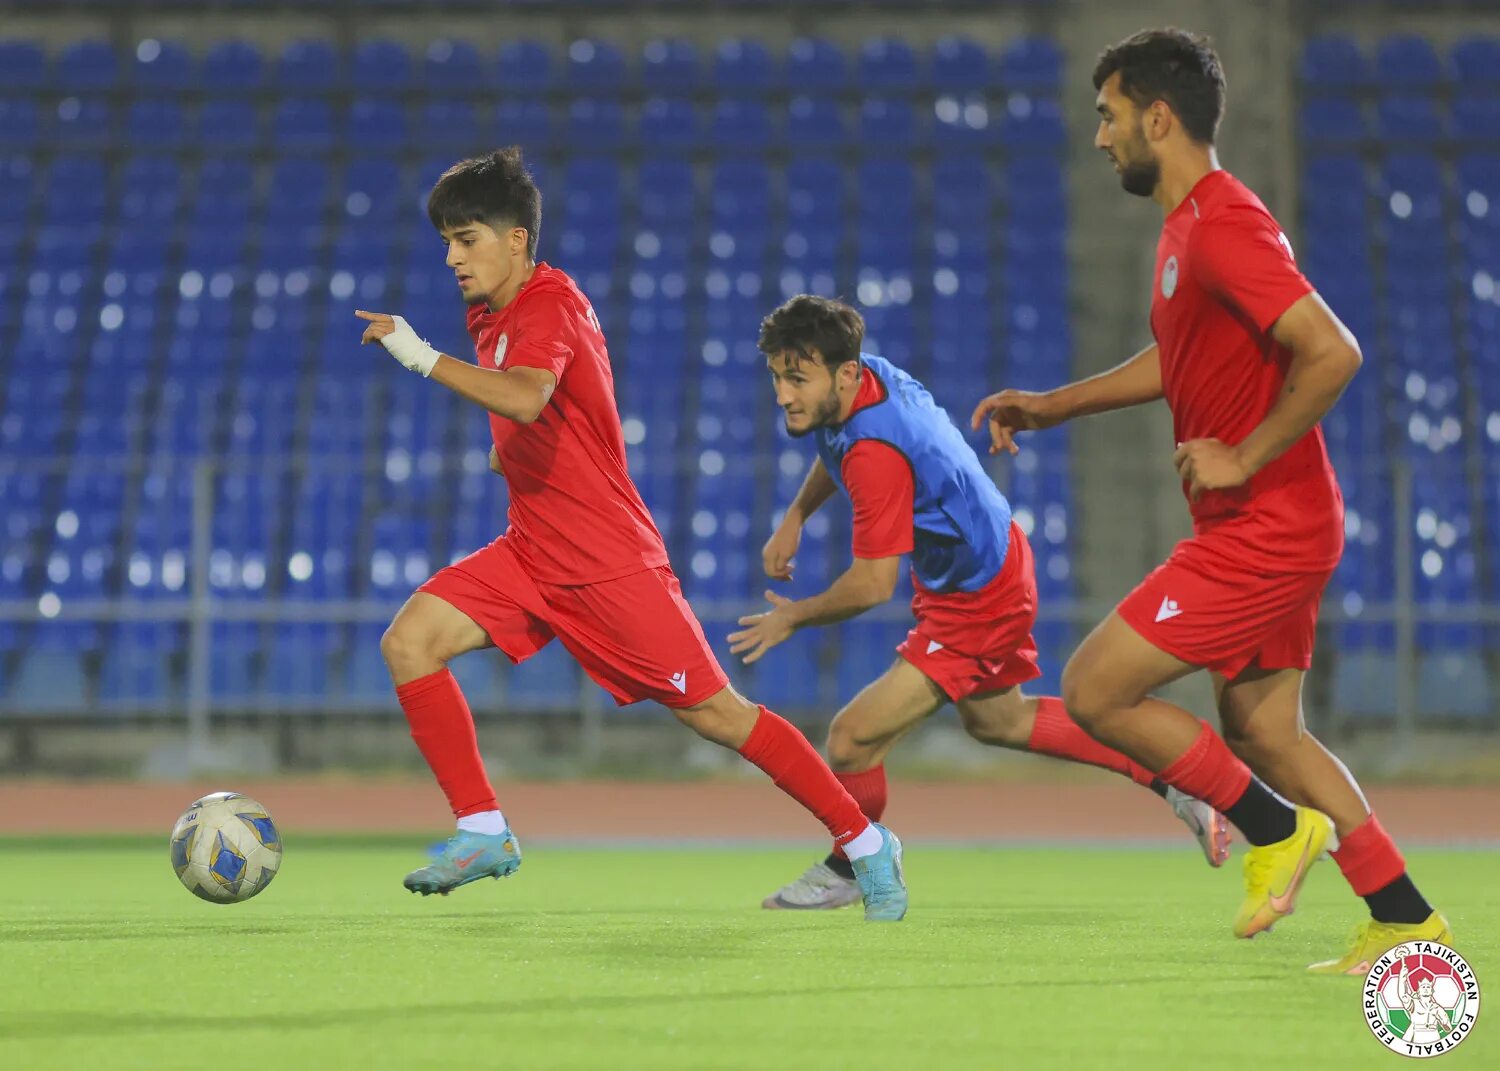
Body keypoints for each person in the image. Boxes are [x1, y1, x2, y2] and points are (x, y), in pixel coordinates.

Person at [971, 29, 1449, 970]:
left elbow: (1334, 351)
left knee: (1096, 688)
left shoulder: (1223, 224)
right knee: (1265, 729)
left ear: (1158, 117)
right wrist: (1055, 404)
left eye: (1108, 115)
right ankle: (1405, 916)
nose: (1100, 137)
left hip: (1267, 523)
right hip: (1271, 518)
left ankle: (1276, 830)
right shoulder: (1191, 227)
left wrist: (1246, 453)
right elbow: (1179, 357)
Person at [353, 148, 906, 920]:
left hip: (608, 560)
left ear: (516, 240)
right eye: (447, 241)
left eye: (467, 239)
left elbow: (527, 397)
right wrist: (513, 452)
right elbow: (541, 412)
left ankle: (866, 841)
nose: (452, 257)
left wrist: (417, 354)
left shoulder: (551, 302)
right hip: (531, 548)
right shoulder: (489, 314)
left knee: (719, 715)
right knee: (410, 641)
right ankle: (482, 830)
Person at [733, 294, 1229, 912]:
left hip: (977, 595)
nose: (783, 394)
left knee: (852, 739)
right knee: (999, 721)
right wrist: (796, 516)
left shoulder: (875, 453)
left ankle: (853, 866)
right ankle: (1173, 774)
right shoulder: (868, 378)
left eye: (797, 379)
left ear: (845, 373)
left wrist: (793, 615)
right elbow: (836, 440)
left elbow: (873, 585)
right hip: (983, 562)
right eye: (778, 377)